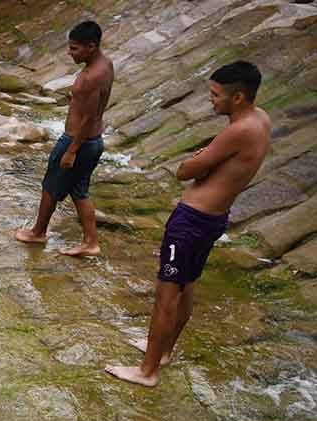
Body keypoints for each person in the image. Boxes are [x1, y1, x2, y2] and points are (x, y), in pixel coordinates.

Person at [106, 61, 271, 387]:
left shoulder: (239, 130)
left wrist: (199, 159)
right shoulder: (261, 119)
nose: (210, 100)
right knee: (187, 287)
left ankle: (146, 371)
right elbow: (215, 163)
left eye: (215, 95)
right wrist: (207, 159)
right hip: (213, 218)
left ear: (238, 97)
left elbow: (185, 171)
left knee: (166, 295)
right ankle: (164, 352)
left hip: (192, 221)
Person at [15, 20, 114, 257]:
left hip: (78, 141)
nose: (69, 53)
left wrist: (71, 150)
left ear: (91, 46)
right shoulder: (106, 64)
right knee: (79, 191)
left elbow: (89, 116)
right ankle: (91, 242)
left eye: (74, 48)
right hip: (93, 141)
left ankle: (38, 233)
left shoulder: (91, 77)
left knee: (50, 186)